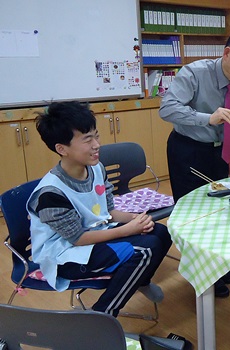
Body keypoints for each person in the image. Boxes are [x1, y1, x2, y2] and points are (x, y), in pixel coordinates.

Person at [27, 101, 172, 317]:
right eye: (87, 140)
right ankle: (102, 315)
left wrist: (136, 219)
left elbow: (109, 211)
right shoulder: (51, 193)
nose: (96, 145)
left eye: (96, 136)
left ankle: (140, 280)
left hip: (95, 235)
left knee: (160, 232)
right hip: (65, 254)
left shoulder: (96, 168)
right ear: (61, 149)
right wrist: (128, 230)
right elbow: (77, 238)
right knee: (144, 250)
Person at [159, 30, 230, 297]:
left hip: (221, 152)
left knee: (222, 208)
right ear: (227, 53)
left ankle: (218, 264)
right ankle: (204, 276)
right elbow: (167, 108)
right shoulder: (194, 74)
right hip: (188, 148)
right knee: (193, 213)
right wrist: (207, 117)